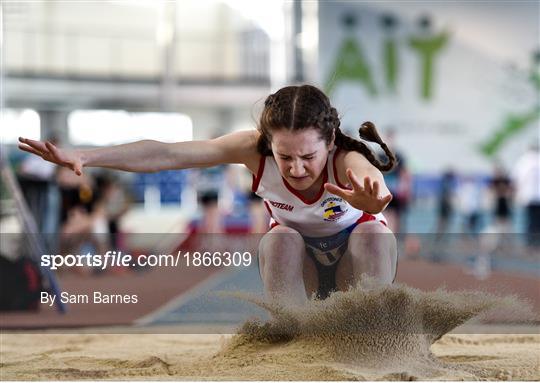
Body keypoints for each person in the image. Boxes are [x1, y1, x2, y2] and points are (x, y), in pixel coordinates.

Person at [18, 84, 397, 305]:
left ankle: (374, 336)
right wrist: (88, 155)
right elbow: (167, 154)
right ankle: (295, 336)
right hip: (302, 271)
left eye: (308, 157)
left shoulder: (347, 160)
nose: (297, 169)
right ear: (269, 145)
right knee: (279, 238)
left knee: (373, 234)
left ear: (329, 143)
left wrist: (373, 200)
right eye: (285, 157)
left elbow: (375, 188)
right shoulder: (251, 149)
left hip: (356, 265)